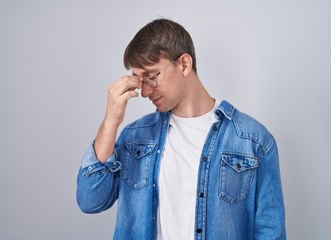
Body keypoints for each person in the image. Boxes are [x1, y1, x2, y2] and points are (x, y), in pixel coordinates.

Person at [76, 18, 286, 240]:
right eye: (139, 81)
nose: (145, 92)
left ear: (184, 64)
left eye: (151, 76)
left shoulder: (253, 140)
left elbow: (270, 232)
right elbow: (91, 200)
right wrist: (111, 122)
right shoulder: (134, 137)